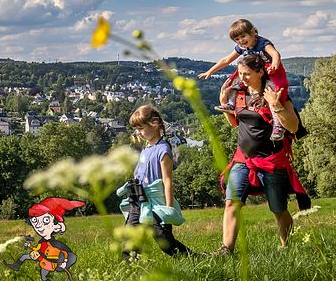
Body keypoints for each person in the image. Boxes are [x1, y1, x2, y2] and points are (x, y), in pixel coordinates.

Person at [215, 53, 308, 254]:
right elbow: (234, 124)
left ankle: (285, 247)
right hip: (243, 159)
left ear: (260, 72)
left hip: (271, 160)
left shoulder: (277, 94)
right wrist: (224, 105)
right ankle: (226, 249)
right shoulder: (239, 93)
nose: (242, 78)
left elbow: (293, 127)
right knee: (232, 202)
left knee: (278, 209)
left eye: (247, 74)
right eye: (239, 73)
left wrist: (276, 106)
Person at [116, 104, 191, 259]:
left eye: (141, 128)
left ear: (155, 123)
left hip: (156, 203)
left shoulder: (163, 150)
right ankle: (130, 270)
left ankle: (194, 259)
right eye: (136, 129)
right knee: (130, 239)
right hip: (138, 201)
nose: (138, 133)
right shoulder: (146, 148)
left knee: (164, 240)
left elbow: (167, 180)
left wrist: (169, 209)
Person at [198, 19, 289, 141]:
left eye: (243, 36)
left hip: (270, 69)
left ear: (252, 32)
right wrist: (210, 71)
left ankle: (278, 125)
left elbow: (275, 54)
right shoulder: (241, 48)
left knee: (274, 94)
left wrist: (275, 64)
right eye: (237, 39)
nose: (241, 41)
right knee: (230, 84)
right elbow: (227, 60)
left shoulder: (263, 43)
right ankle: (231, 104)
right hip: (252, 71)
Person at [5, 197, 84, 281]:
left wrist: (64, 263)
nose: (38, 225)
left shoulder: (56, 244)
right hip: (42, 259)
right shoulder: (41, 241)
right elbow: (37, 249)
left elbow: (65, 253)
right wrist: (30, 247)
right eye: (35, 220)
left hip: (50, 263)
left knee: (43, 275)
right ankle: (17, 266)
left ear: (57, 226)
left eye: (45, 220)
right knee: (26, 258)